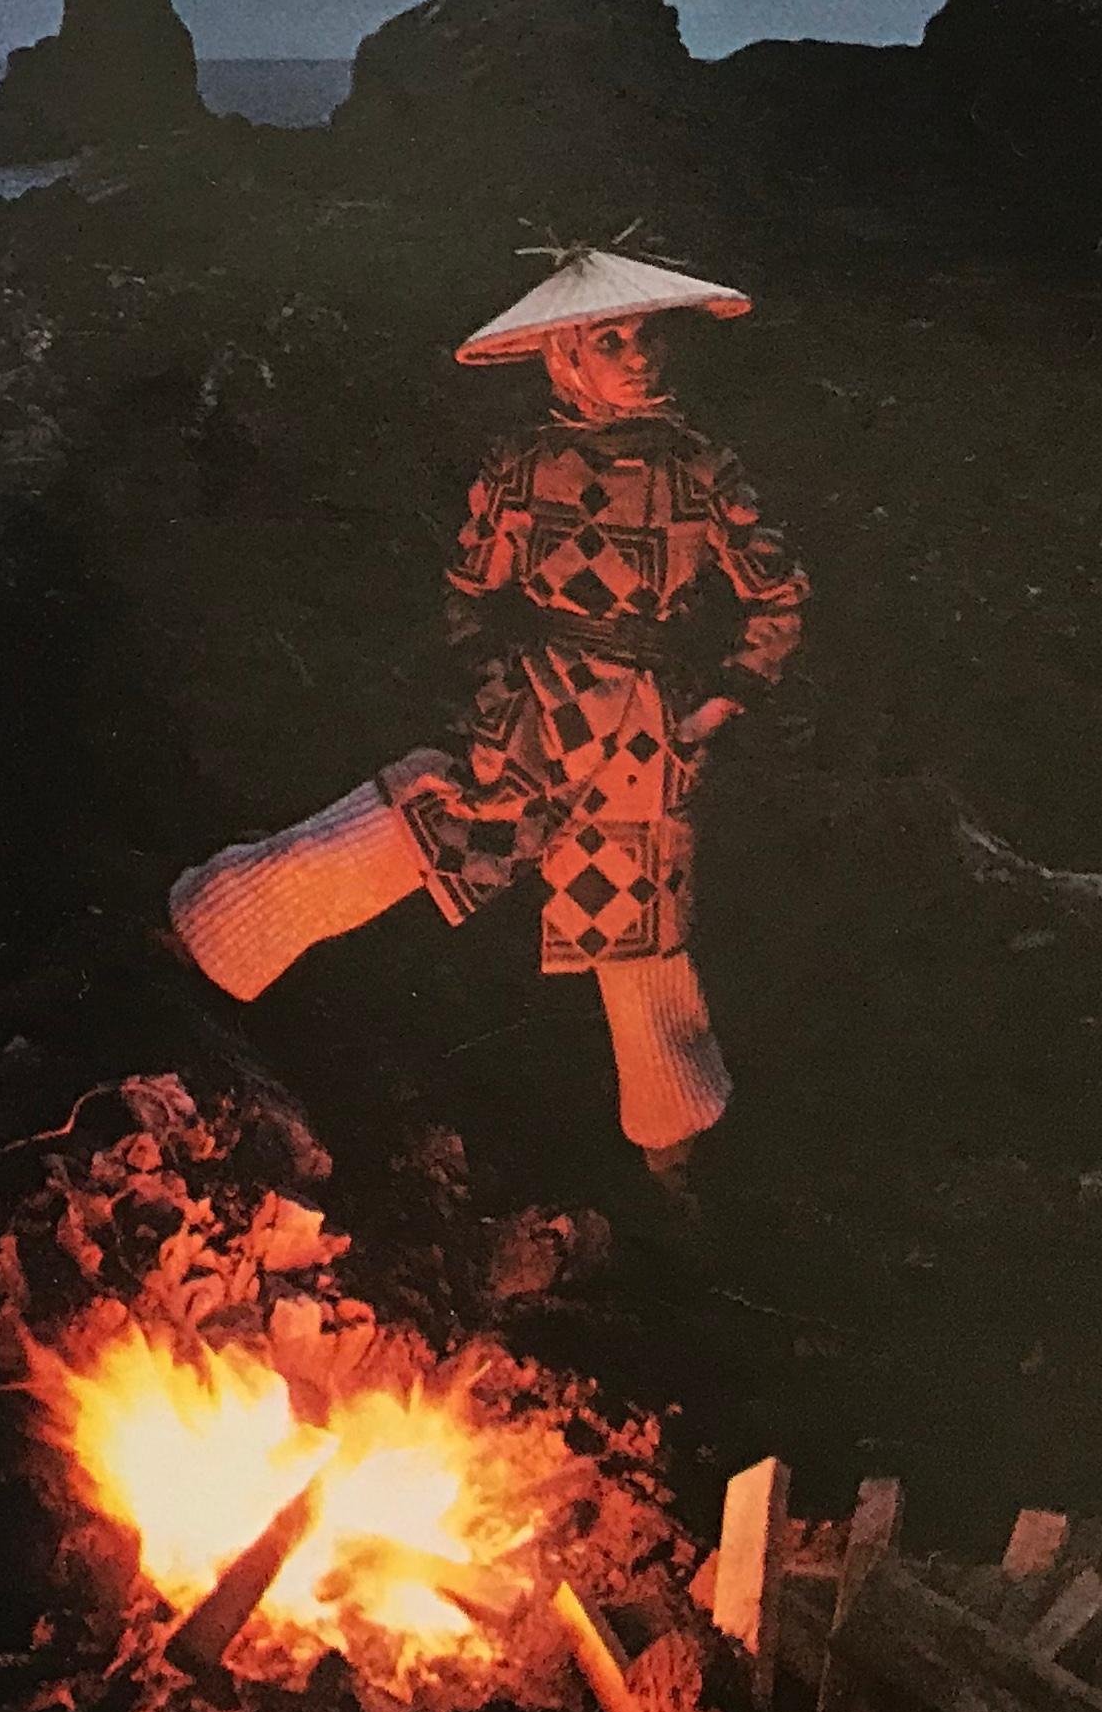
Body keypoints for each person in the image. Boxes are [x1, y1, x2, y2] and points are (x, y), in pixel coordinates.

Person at [170, 248, 811, 1200]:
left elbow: (778, 602)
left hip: (643, 734)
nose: (638, 356)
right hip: (531, 713)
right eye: (611, 338)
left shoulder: (704, 469)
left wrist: (709, 709)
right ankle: (211, 928)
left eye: (647, 335)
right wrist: (490, 697)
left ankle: (676, 1157)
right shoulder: (522, 465)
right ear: (566, 356)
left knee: (637, 932)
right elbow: (467, 593)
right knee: (423, 819)